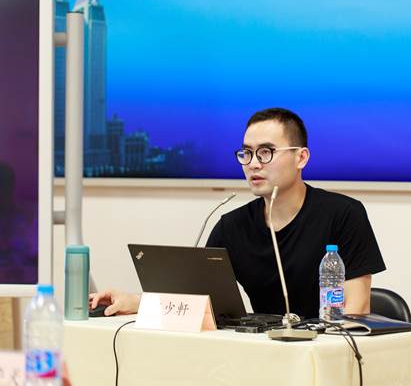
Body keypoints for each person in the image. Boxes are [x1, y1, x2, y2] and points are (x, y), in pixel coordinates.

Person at [90, 108, 386, 318]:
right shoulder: (231, 226)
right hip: (263, 355)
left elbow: (357, 308)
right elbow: (194, 300)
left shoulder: (343, 215)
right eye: (247, 153)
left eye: (266, 152)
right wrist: (134, 302)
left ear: (301, 157)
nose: (253, 163)